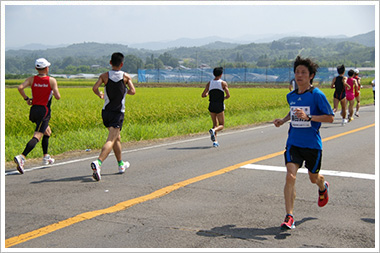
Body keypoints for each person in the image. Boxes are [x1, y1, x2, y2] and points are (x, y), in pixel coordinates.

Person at [273, 56, 334, 230]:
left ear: (311, 75)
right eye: (297, 72)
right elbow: (293, 111)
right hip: (294, 142)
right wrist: (283, 120)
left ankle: (323, 186)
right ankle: (289, 216)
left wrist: (309, 117)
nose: (299, 75)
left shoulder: (317, 95)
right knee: (290, 176)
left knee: (313, 178)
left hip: (312, 145)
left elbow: (330, 117)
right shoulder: (291, 95)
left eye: (303, 72)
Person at [91, 52, 136, 181]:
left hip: (106, 112)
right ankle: (98, 163)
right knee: (111, 139)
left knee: (117, 138)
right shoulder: (126, 77)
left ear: (110, 62)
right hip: (118, 112)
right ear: (122, 64)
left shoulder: (104, 76)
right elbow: (133, 91)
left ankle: (121, 164)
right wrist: (123, 90)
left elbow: (95, 88)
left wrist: (100, 94)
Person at [14, 58, 61, 174]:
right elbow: (58, 96)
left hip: (34, 109)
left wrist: (26, 99)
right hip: (44, 110)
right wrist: (53, 92)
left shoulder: (31, 79)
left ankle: (46, 156)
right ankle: (22, 157)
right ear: (46, 68)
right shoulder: (51, 80)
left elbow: (20, 88)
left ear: (36, 68)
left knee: (47, 131)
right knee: (37, 135)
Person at [201, 67, 230, 147]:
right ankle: (213, 131)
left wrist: (208, 94)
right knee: (221, 125)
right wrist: (222, 98)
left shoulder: (209, 83)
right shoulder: (223, 83)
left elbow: (203, 95)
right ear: (221, 74)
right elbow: (228, 95)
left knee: (215, 124)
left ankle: (215, 141)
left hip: (211, 105)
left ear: (213, 74)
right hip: (219, 105)